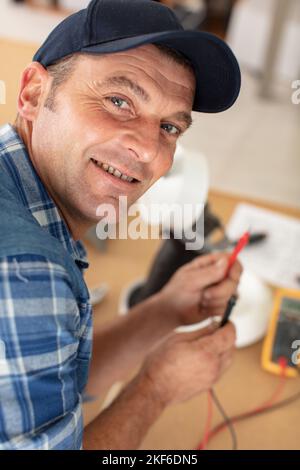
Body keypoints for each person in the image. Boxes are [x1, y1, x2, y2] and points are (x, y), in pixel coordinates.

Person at [0, 0, 242, 450]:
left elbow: (52, 373)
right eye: (119, 101)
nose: (150, 151)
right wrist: (157, 386)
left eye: (170, 127)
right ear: (33, 93)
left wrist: (166, 310)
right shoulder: (27, 273)